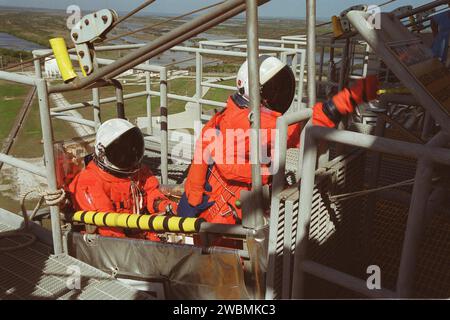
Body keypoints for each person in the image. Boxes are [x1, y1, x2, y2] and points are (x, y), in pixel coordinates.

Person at [177, 55, 379, 231]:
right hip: (224, 222)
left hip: (216, 212)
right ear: (255, 91)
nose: (277, 94)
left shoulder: (229, 115)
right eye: (272, 89)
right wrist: (347, 100)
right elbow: (299, 130)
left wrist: (192, 200)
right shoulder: (251, 125)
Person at [69, 118, 177, 240]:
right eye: (121, 152)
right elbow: (110, 230)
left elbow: (153, 193)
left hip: (143, 234)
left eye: (132, 148)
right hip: (115, 245)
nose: (129, 156)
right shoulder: (89, 183)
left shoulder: (139, 172)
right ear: (102, 153)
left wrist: (167, 207)